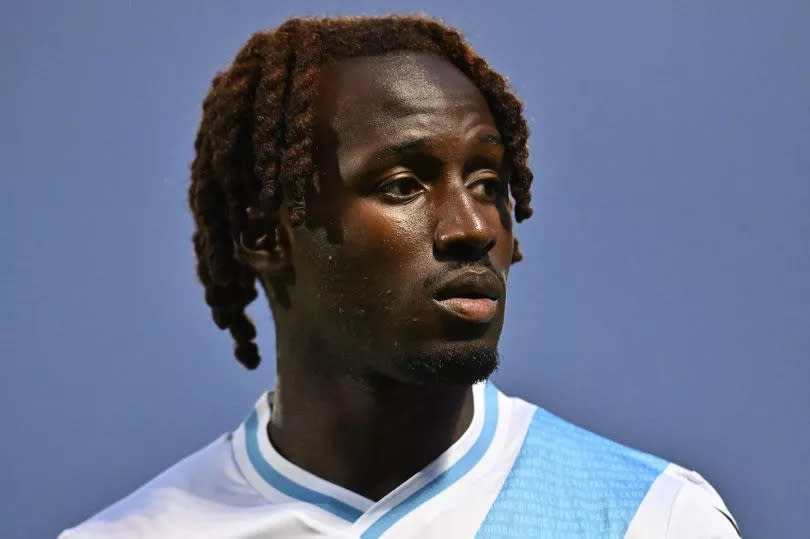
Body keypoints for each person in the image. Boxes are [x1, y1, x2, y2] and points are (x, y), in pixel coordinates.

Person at [60, 15, 741, 538]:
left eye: (487, 182)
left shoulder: (648, 519)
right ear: (268, 235)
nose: (473, 226)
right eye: (403, 183)